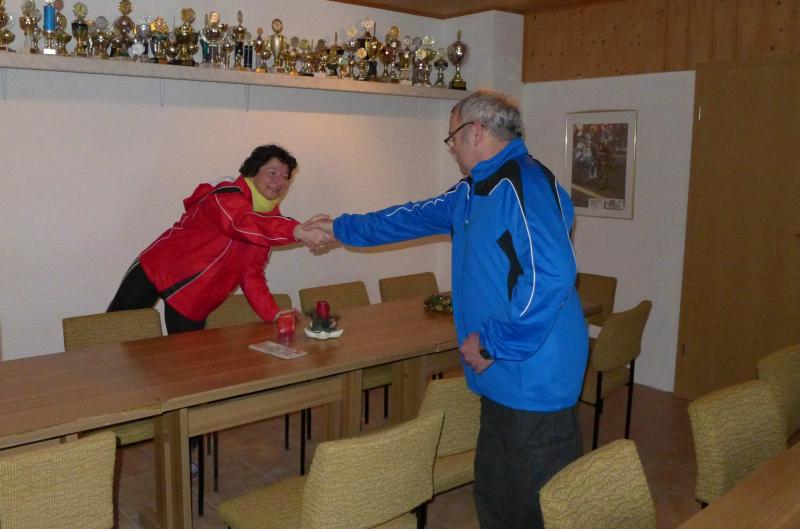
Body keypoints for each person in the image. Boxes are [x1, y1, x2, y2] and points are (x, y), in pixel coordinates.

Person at [312, 90, 588, 529]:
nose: (452, 148)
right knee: (496, 491)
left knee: (535, 505)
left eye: (452, 138)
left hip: (533, 373)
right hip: (501, 371)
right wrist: (337, 228)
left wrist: (494, 343)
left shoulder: (525, 185)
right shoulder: (473, 189)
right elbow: (408, 217)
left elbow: (551, 275)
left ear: (475, 132)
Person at [108, 144, 331, 334]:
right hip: (155, 268)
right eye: (272, 173)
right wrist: (296, 230)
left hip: (193, 296)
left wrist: (272, 312)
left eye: (285, 177)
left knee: (187, 363)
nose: (279, 181)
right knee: (113, 336)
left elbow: (250, 274)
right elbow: (240, 223)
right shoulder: (225, 195)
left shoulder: (270, 222)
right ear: (254, 171)